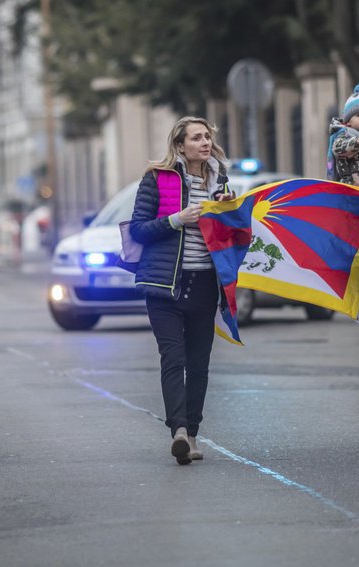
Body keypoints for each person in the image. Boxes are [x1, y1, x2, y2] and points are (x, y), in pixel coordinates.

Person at [129, 116, 234, 465]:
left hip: (205, 284)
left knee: (199, 365)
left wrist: (231, 212)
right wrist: (177, 219)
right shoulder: (157, 179)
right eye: (196, 138)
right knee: (173, 359)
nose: (205, 143)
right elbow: (139, 230)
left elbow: (229, 237)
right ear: (179, 145)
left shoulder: (220, 181)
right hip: (165, 287)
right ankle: (178, 431)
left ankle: (192, 434)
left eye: (207, 137)